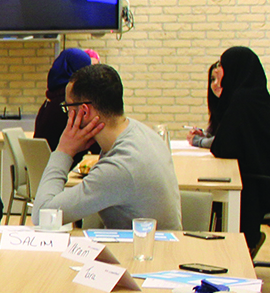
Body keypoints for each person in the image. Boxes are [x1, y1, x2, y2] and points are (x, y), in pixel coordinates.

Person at [30, 63, 182, 230]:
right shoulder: (144, 133)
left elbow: (42, 216)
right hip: (155, 244)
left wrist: (63, 151)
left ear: (84, 112)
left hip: (145, 246)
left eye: (68, 107)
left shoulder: (120, 165)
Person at [211, 46, 270, 252]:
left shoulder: (242, 101)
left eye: (223, 66)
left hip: (256, 188)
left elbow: (222, 147)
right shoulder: (260, 97)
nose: (220, 71)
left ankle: (241, 249)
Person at [34, 47, 98, 150]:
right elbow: (96, 147)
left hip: (47, 159)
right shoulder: (70, 106)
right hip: (63, 159)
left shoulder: (49, 103)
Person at [188, 59, 224, 149]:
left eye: (221, 79)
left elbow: (225, 140)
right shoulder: (219, 107)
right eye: (213, 79)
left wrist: (198, 141)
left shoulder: (238, 107)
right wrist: (204, 135)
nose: (216, 83)